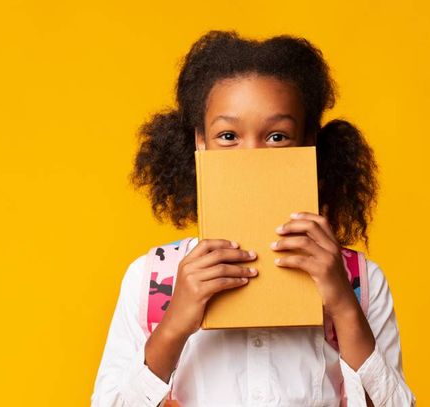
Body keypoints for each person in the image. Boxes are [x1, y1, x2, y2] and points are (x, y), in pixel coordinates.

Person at [90, 30, 416, 406]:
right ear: (201, 142)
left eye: (277, 136)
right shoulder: (151, 281)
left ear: (309, 142)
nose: (252, 155)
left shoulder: (361, 282)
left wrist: (344, 305)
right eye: (228, 135)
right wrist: (173, 326)